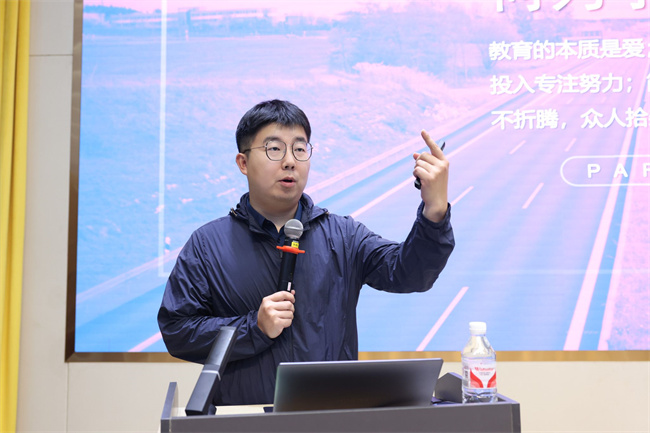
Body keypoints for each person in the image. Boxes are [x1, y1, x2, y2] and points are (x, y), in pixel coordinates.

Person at [157, 99, 455, 405]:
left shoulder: (343, 236)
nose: (290, 161)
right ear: (243, 163)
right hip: (245, 419)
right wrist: (254, 327)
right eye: (274, 149)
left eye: (300, 149)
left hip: (330, 417)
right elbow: (177, 331)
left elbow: (410, 274)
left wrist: (434, 210)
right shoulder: (207, 245)